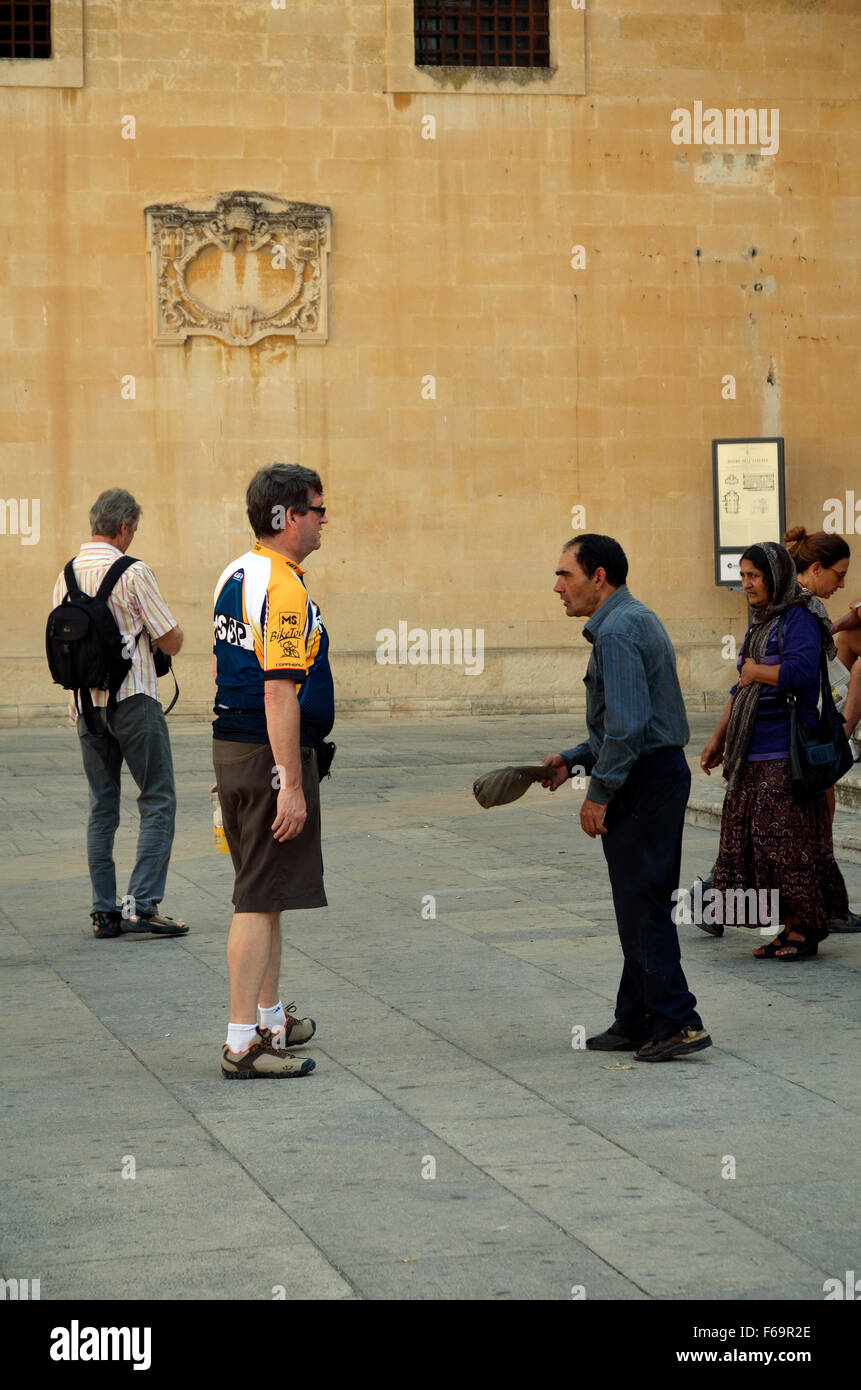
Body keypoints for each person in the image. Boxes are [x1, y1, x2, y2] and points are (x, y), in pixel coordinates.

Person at [540, 534, 711, 1062]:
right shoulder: (631, 618)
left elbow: (630, 728)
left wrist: (598, 792)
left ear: (599, 577)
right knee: (638, 901)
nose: (557, 587)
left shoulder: (616, 632)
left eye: (565, 574)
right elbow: (624, 722)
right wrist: (573, 757)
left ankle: (678, 1022)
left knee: (643, 903)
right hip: (650, 771)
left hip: (644, 778)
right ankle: (636, 1018)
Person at [213, 464, 333, 1080]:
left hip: (235, 748)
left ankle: (270, 1017)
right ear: (287, 518)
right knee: (258, 897)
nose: (323, 519)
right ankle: (242, 1043)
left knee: (269, 893)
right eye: (316, 508)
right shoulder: (283, 587)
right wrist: (288, 781)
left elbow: (226, 673)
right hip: (265, 753)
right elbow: (278, 692)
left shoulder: (235, 573)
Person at [693, 526, 860, 935]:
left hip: (784, 744)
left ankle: (806, 922)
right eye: (838, 574)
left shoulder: (797, 615)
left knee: (785, 839)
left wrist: (754, 674)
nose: (746, 584)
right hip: (765, 744)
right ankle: (716, 900)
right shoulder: (775, 617)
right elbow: (745, 685)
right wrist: (719, 736)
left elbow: (800, 673)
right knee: (764, 837)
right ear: (814, 568)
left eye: (753, 576)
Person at [52, 488, 187, 939]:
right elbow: (169, 637)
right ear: (125, 527)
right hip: (133, 701)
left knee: (102, 807)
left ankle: (104, 912)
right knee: (157, 799)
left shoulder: (65, 575)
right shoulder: (134, 572)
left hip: (85, 708)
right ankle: (141, 904)